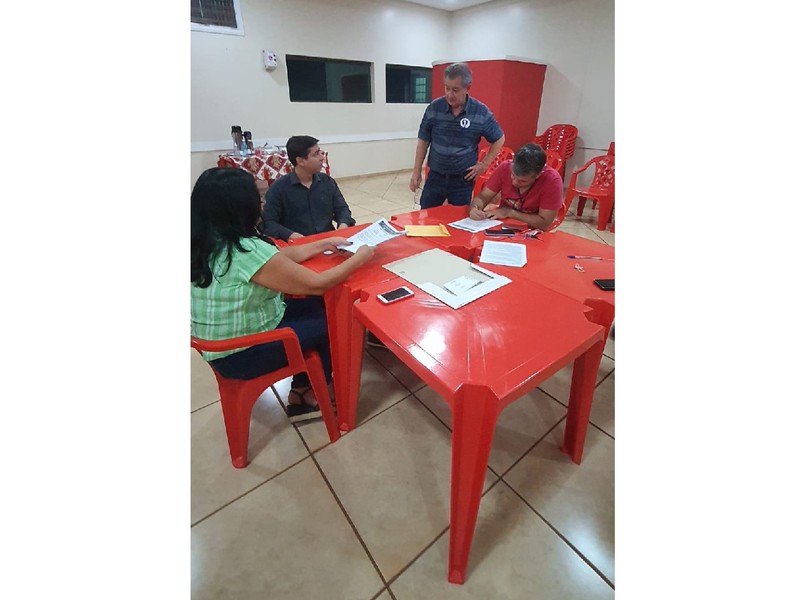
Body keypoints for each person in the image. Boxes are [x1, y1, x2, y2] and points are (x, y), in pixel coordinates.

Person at [192, 167, 375, 423]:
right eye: (258, 197)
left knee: (314, 306)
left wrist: (323, 243)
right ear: (240, 207)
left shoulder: (205, 240)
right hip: (242, 355)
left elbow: (277, 257)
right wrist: (361, 257)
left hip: (219, 346)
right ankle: (311, 394)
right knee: (335, 319)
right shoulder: (245, 250)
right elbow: (319, 284)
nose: (262, 203)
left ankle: (303, 387)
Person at [410, 62, 506, 209]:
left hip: (462, 180)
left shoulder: (480, 112)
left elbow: (499, 139)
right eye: (447, 88)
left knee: (459, 218)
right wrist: (416, 172)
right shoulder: (434, 108)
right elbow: (423, 141)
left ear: (468, 88)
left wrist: (484, 165)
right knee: (426, 215)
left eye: (455, 90)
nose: (449, 94)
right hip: (435, 176)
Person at [259, 135, 356, 242]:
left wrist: (343, 226)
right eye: (316, 154)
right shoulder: (279, 188)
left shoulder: (327, 182)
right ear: (301, 161)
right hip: (299, 244)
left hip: (330, 240)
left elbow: (342, 209)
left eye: (320, 152)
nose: (322, 158)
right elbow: (269, 223)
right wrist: (291, 235)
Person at [468, 143, 563, 231]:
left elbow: (544, 223)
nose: (515, 182)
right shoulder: (505, 167)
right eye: (513, 175)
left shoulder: (552, 180)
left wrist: (510, 213)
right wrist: (475, 208)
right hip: (502, 226)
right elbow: (483, 197)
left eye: (522, 181)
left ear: (538, 175)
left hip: (532, 231)